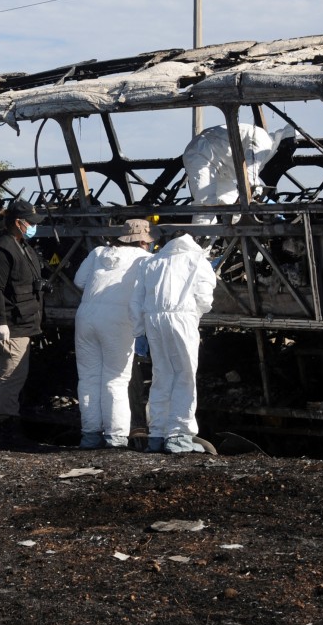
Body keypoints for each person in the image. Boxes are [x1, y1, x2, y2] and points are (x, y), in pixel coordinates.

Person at [130, 230, 217, 454]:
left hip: (153, 320)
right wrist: (192, 314)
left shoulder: (152, 261)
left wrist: (140, 330)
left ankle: (157, 434)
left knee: (162, 375)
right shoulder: (197, 260)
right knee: (184, 376)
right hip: (182, 318)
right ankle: (179, 435)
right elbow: (205, 298)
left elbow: (136, 299)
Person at [72, 219, 153, 449]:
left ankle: (89, 435)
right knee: (115, 380)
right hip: (118, 321)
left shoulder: (98, 252)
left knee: (88, 378)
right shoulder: (144, 259)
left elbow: (79, 281)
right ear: (141, 241)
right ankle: (115, 437)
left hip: (86, 316)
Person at [0, 197, 46, 447]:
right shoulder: (2, 249)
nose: (33, 226)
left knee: (7, 376)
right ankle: (9, 430)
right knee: (13, 377)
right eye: (30, 222)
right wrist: (1, 321)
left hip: (22, 320)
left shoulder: (22, 247)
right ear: (18, 223)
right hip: (11, 324)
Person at [183, 123, 295, 225]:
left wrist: (260, 194)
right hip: (202, 154)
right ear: (284, 142)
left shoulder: (268, 149)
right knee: (206, 206)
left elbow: (252, 177)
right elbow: (250, 175)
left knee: (235, 209)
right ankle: (197, 243)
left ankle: (233, 244)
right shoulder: (263, 142)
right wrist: (263, 199)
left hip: (220, 168)